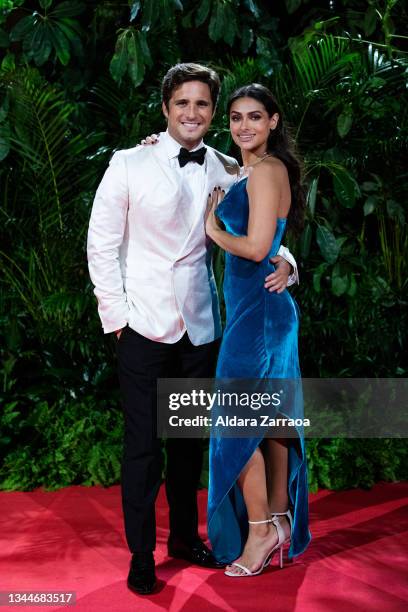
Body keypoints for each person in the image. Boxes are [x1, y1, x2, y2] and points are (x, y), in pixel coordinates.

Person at [87, 64, 297, 595]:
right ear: (165, 108)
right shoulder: (129, 162)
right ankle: (141, 555)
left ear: (212, 114)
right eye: (182, 103)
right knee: (143, 448)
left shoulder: (227, 166)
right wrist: (117, 320)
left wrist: (289, 263)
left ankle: (183, 538)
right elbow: (101, 245)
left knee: (187, 446)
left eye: (202, 105)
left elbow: (262, 223)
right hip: (142, 327)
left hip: (201, 329)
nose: (192, 113)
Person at [206, 83, 311, 576]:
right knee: (269, 422)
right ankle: (281, 518)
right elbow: (276, 248)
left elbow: (256, 246)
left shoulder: (267, 171)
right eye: (235, 117)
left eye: (254, 117)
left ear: (273, 121)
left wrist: (214, 231)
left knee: (237, 425)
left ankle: (260, 531)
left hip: (261, 318)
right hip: (258, 310)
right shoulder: (244, 169)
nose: (243, 126)